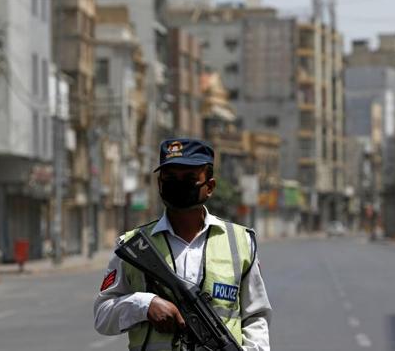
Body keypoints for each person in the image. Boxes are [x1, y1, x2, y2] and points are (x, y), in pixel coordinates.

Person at [94, 138, 272, 351]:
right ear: (160, 185)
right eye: (170, 178)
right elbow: (103, 316)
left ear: (210, 186)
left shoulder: (240, 242)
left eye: (189, 178)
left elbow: (256, 316)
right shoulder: (134, 245)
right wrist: (144, 305)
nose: (178, 184)